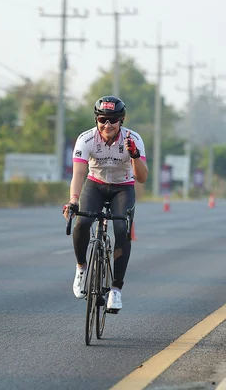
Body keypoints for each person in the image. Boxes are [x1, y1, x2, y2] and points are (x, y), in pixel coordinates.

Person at [62, 96, 148, 312]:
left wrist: (135, 155)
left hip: (123, 187)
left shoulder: (133, 139)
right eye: (102, 120)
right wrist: (73, 200)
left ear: (122, 120)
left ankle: (116, 291)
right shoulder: (86, 139)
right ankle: (81, 269)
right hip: (95, 185)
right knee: (82, 223)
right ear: (96, 120)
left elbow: (142, 178)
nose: (107, 125)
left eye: (113, 120)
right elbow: (79, 173)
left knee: (122, 229)